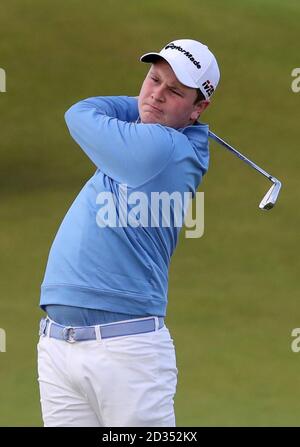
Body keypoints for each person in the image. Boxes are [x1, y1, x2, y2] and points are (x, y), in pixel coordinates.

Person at [37, 38, 220, 427]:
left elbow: (80, 113)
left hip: (126, 351)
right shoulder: (148, 135)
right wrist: (155, 104)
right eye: (152, 79)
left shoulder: (163, 148)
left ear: (198, 108)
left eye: (174, 92)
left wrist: (140, 107)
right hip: (58, 345)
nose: (156, 94)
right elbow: (109, 113)